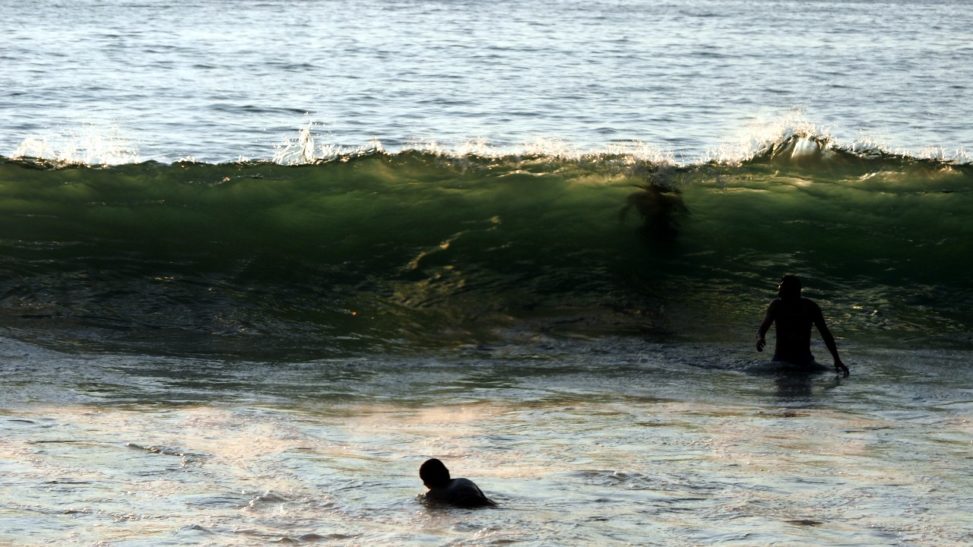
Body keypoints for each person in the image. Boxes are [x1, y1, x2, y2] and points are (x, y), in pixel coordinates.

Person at [756, 275, 850, 377]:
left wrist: (837, 359)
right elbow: (762, 329)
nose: (779, 293)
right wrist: (760, 338)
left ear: (795, 291)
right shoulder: (776, 305)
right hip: (781, 360)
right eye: (780, 289)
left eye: (783, 290)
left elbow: (826, 334)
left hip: (805, 362)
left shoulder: (810, 307)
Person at [419, 458, 496, 507]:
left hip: (462, 505)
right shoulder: (464, 481)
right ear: (447, 472)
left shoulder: (434, 493)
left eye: (424, 480)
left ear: (430, 481)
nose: (424, 484)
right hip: (485, 503)